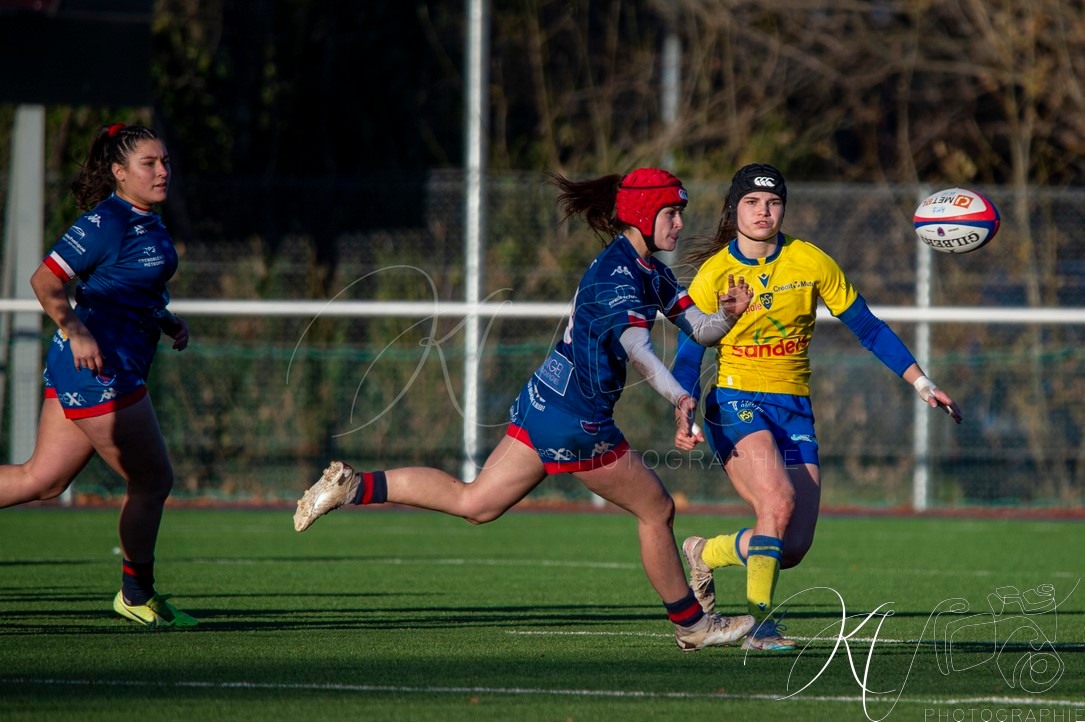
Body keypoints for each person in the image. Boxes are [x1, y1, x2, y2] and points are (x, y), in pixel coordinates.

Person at [294, 168, 757, 651]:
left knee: (477, 503)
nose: (680, 223)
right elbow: (639, 351)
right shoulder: (619, 277)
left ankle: (354, 485)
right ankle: (692, 625)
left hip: (545, 397)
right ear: (642, 214)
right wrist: (680, 396)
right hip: (578, 420)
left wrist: (728, 313)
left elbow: (701, 329)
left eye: (679, 212)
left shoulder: (648, 271)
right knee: (656, 508)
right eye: (671, 212)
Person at [670, 163, 962, 651]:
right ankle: (759, 628)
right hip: (735, 400)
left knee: (794, 544)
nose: (763, 212)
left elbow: (867, 327)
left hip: (794, 409)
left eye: (773, 202)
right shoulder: (715, 272)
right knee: (777, 502)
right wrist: (684, 405)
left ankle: (705, 552)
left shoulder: (810, 261)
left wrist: (922, 382)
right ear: (733, 208)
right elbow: (689, 351)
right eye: (751, 202)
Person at [0, 123, 196, 629]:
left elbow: (130, 287)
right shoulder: (106, 220)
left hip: (112, 363)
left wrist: (164, 318)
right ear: (118, 172)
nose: (162, 171)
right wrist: (76, 328)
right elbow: (45, 280)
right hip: (95, 368)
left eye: (165, 161)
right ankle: (135, 594)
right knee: (153, 479)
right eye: (149, 164)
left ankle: (136, 593)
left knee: (41, 479)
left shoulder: (146, 220)